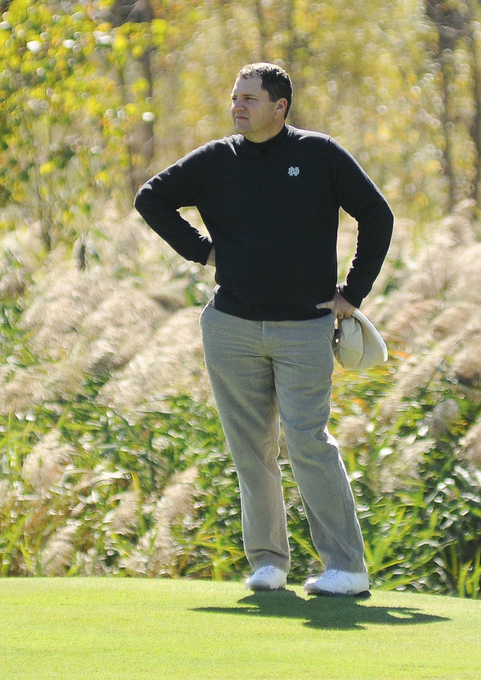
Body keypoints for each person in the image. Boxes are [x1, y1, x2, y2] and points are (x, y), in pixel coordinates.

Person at [134, 62, 393, 597]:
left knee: (307, 442)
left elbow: (377, 215)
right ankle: (269, 562)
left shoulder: (319, 154)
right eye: (235, 97)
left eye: (250, 99)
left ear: (280, 106)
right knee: (251, 450)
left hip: (304, 328)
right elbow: (150, 197)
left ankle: (347, 567)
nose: (238, 106)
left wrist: (352, 293)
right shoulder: (215, 159)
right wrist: (202, 251)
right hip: (231, 327)